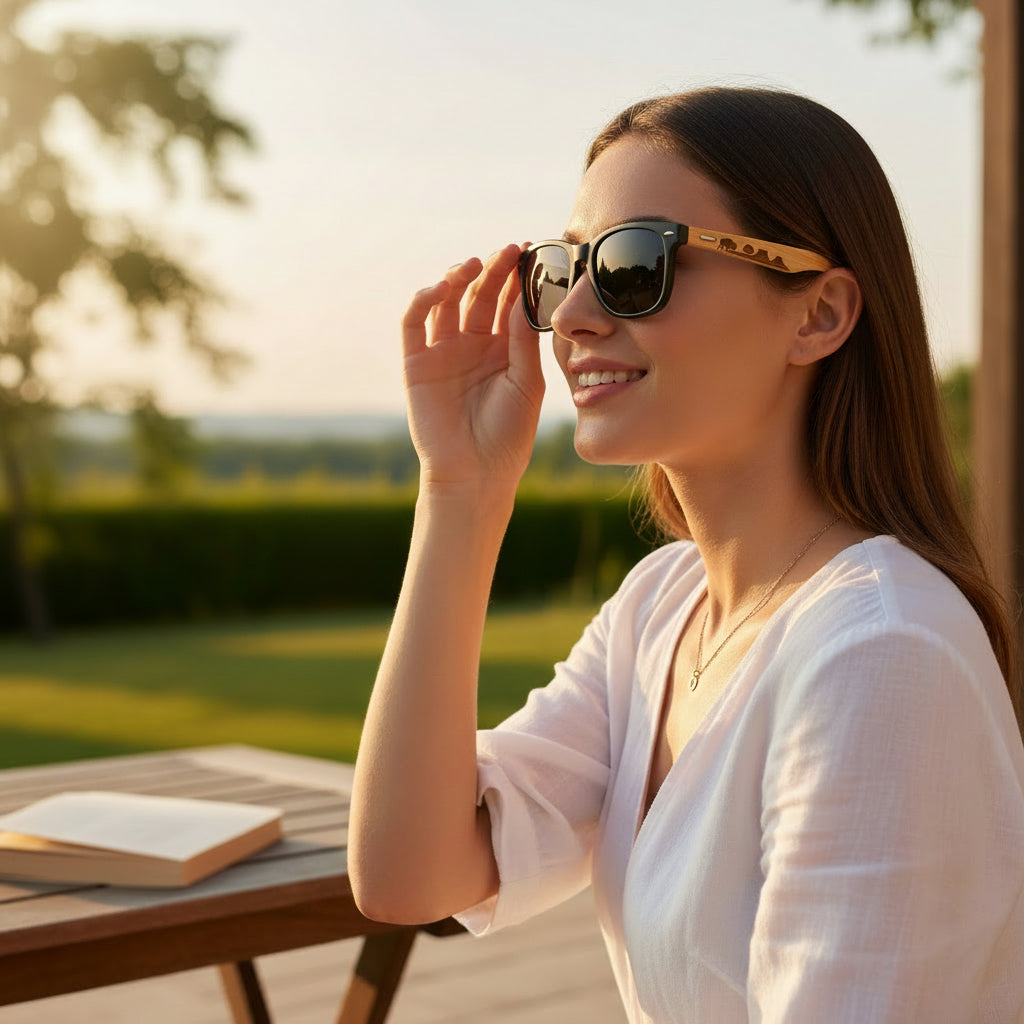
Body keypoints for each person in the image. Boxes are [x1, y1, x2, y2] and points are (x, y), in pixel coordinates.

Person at [349, 86, 1024, 1023]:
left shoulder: (880, 654)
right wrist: (458, 494)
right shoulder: (665, 607)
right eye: (562, 269)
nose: (575, 315)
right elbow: (411, 875)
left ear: (818, 315)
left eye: (635, 265)